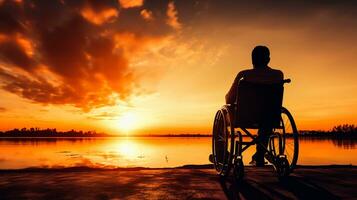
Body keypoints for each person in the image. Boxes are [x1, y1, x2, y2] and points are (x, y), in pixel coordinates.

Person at [226, 45, 283, 166]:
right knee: (267, 118)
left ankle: (222, 155)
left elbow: (229, 99)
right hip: (270, 117)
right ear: (268, 60)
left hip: (245, 117)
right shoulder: (278, 75)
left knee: (224, 112)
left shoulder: (244, 75)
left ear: (252, 60)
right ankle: (260, 156)